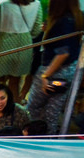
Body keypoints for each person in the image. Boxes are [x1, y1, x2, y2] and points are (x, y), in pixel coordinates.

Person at [28, 0, 83, 134]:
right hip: (70, 71)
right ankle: (49, 141)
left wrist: (45, 75)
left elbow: (62, 53)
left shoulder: (62, 22)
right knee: (53, 113)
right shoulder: (77, 17)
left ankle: (34, 136)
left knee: (33, 108)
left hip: (53, 70)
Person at [0, 0, 44, 99]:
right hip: (25, 47)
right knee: (15, 84)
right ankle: (13, 112)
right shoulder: (37, 5)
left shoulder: (5, 6)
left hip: (4, 45)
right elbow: (36, 30)